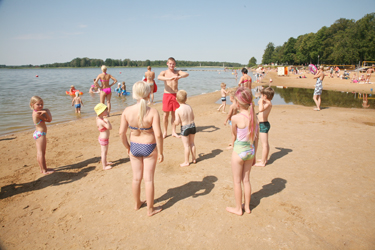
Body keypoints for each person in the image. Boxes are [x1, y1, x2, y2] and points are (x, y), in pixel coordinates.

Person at [119, 81, 163, 216]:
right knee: (148, 179)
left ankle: (137, 203)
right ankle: (150, 209)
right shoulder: (153, 112)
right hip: (149, 146)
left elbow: (121, 133)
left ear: (134, 94)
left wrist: (127, 146)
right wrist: (161, 152)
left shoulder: (127, 111)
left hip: (135, 146)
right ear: (149, 93)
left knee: (136, 178)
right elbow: (159, 134)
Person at [226, 87, 257, 216]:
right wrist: (255, 155)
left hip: (239, 151)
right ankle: (248, 207)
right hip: (250, 151)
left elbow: (234, 135)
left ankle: (239, 208)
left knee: (237, 181)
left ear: (237, 103)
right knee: (246, 180)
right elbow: (256, 138)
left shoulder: (235, 118)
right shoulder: (254, 117)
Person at [157, 57, 189, 138]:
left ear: (175, 64)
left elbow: (186, 74)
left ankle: (173, 131)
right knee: (165, 115)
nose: (172, 65)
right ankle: (165, 132)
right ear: (167, 64)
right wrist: (169, 78)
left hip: (175, 95)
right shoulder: (164, 72)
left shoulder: (177, 71)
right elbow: (159, 77)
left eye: (173, 64)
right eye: (170, 64)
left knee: (174, 115)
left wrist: (179, 77)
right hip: (167, 94)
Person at [30, 96, 54, 174]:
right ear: (32, 104)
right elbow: (49, 120)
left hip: (38, 133)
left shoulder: (35, 111)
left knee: (39, 152)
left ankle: (42, 168)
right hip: (41, 134)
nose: (40, 106)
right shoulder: (37, 114)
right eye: (38, 104)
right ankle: (44, 170)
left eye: (41, 104)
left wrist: (46, 111)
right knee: (41, 153)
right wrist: (47, 112)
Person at [174, 90, 197, 167]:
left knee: (186, 145)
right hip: (192, 125)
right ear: (186, 99)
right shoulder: (189, 107)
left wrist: (175, 122)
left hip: (185, 127)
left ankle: (186, 162)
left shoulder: (178, 110)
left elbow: (177, 122)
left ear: (176, 99)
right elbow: (193, 117)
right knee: (192, 143)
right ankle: (194, 158)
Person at [254, 87, 274, 167]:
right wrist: (261, 101)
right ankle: (264, 158)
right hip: (262, 124)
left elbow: (260, 109)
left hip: (264, 125)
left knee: (264, 144)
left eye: (261, 95)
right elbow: (259, 104)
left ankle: (263, 162)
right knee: (265, 144)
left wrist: (262, 101)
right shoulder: (266, 102)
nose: (261, 97)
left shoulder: (268, 103)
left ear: (265, 96)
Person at [94, 103, 113, 170]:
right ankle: (104, 166)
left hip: (103, 138)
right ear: (101, 112)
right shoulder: (101, 121)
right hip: (103, 139)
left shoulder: (99, 119)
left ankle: (105, 162)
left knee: (105, 151)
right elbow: (110, 127)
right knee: (104, 152)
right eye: (106, 110)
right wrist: (108, 121)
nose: (107, 112)